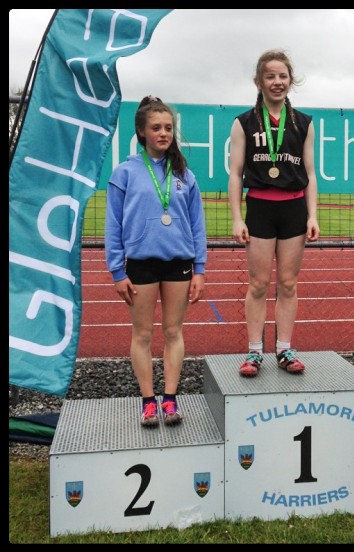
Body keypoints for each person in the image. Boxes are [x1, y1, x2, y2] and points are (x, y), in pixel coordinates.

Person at [105, 95, 207, 427]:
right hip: (141, 265)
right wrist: (117, 271)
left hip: (179, 263)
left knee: (174, 331)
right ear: (142, 131)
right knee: (143, 335)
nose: (163, 133)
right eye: (156, 128)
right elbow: (113, 224)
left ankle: (170, 399)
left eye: (168, 128)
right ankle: (148, 401)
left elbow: (197, 225)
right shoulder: (124, 173)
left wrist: (200, 269)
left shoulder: (185, 174)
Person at [228, 49, 320, 377]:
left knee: (288, 283)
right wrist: (237, 218)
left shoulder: (304, 123)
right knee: (257, 283)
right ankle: (255, 351)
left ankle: (284, 349)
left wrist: (312, 215)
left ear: (290, 80)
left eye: (283, 76)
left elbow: (310, 173)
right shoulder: (243, 123)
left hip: (293, 208)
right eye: (270, 76)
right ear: (259, 82)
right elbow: (235, 173)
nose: (277, 82)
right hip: (260, 208)